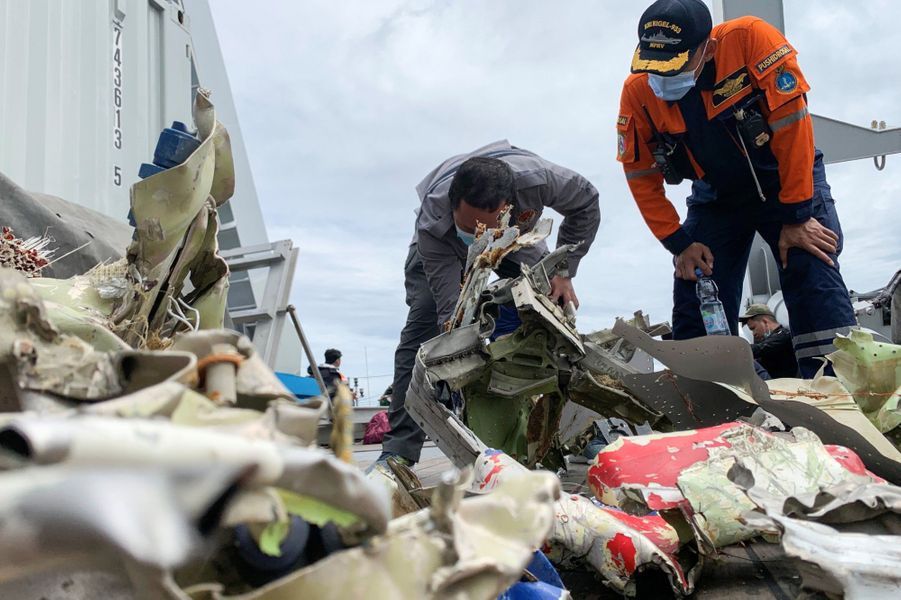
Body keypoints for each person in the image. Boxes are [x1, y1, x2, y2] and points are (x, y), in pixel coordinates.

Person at [616, 0, 856, 378]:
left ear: (707, 50)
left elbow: (793, 125)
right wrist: (680, 243)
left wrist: (796, 216)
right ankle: (721, 395)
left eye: (676, 66)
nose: (662, 79)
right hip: (716, 197)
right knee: (695, 284)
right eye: (653, 68)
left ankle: (834, 389)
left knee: (812, 267)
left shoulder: (749, 41)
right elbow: (639, 174)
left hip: (784, 182)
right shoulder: (637, 94)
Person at [379, 140, 601, 466]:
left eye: (488, 223)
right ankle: (398, 452)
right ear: (453, 207)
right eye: (471, 226)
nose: (479, 234)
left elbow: (586, 203)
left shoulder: (540, 180)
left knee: (552, 319)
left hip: (512, 240)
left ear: (511, 203)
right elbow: (450, 312)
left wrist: (563, 270)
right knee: (426, 329)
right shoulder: (433, 221)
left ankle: (578, 432)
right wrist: (455, 342)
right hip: (446, 249)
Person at [740, 304, 798, 379]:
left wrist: (737, 348)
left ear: (765, 322)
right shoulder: (771, 340)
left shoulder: (784, 336)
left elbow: (760, 348)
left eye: (753, 328)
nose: (753, 333)